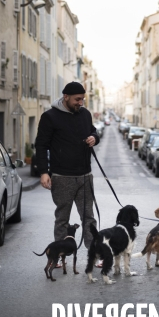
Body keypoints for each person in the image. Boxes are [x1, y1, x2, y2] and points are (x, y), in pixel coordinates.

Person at [35, 81, 100, 249]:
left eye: (82, 100)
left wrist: (94, 137)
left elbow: (93, 130)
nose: (80, 103)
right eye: (77, 99)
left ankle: (95, 252)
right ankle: (59, 253)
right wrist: (43, 172)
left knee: (89, 217)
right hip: (62, 177)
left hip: (85, 175)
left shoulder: (85, 114)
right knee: (62, 218)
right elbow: (41, 145)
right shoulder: (50, 117)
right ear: (66, 97)